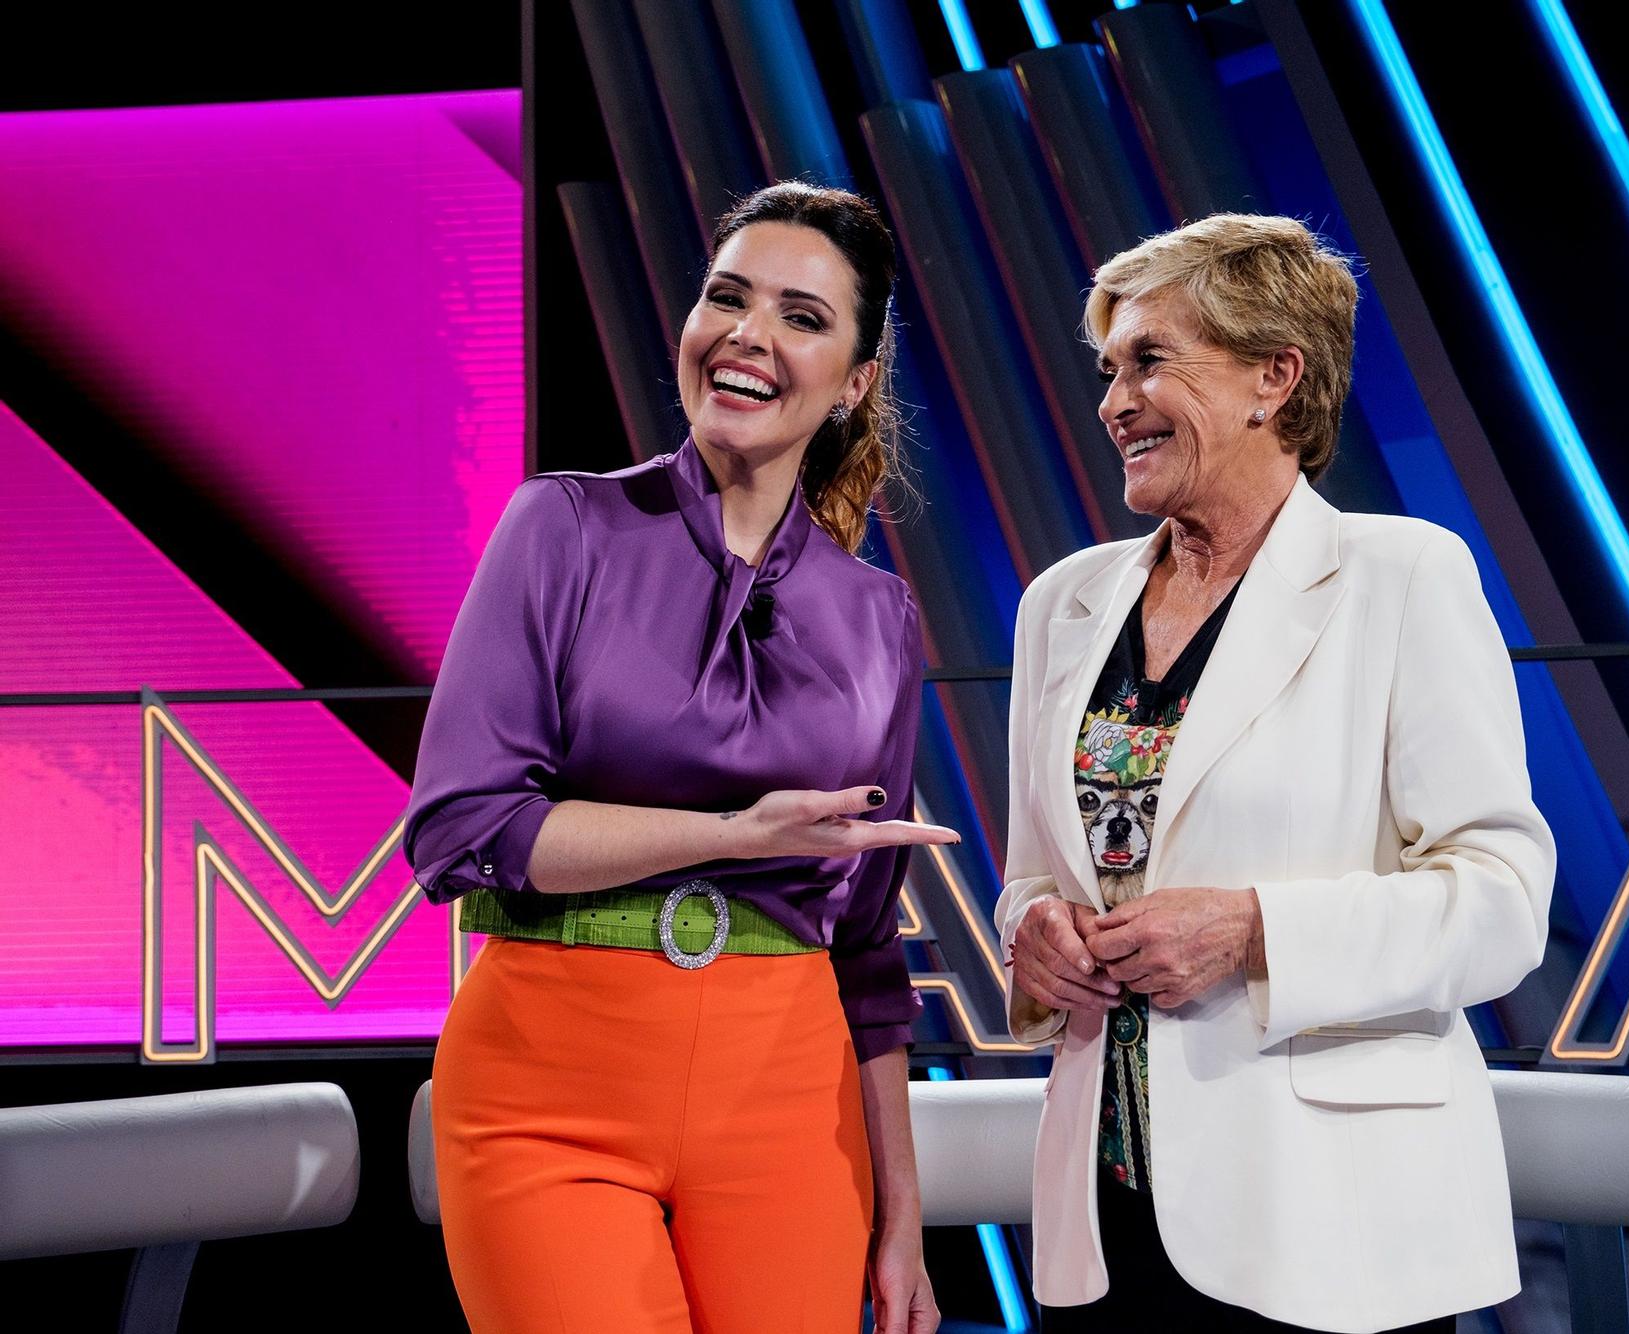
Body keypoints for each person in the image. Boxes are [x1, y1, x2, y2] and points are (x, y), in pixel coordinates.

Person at [405, 181, 952, 1334]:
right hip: (546, 1079)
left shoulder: (876, 616)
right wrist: (737, 836)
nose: (749, 334)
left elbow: (865, 957)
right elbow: (461, 828)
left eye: (801, 316)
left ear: (854, 381)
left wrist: (901, 1216)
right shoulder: (561, 527)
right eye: (727, 297)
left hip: (791, 1094)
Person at [996, 214, 1557, 1333]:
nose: (1112, 401)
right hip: (1106, 1219)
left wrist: (1252, 928)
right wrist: (1034, 935)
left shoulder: (1400, 575)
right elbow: (1030, 877)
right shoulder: (1060, 603)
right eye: (1109, 369)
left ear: (1272, 376)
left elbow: (1501, 899)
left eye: (1149, 360)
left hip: (1329, 1226)